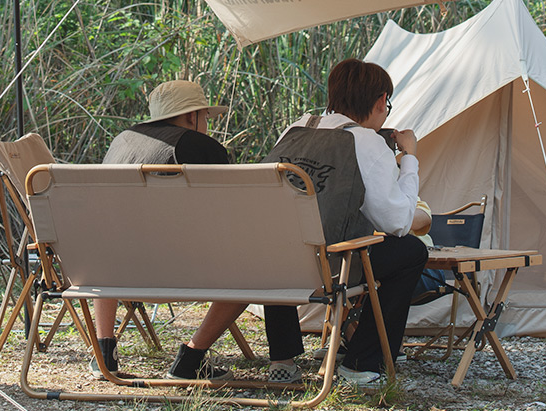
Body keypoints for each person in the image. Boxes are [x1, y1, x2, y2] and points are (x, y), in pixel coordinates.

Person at [92, 80, 300, 383]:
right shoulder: (199, 147)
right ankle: (193, 357)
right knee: (264, 261)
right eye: (206, 117)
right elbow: (233, 216)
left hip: (113, 273)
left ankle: (103, 351)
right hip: (185, 271)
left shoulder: (122, 141)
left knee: (108, 243)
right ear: (193, 117)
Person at [263, 58, 428, 389]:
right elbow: (398, 222)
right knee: (410, 252)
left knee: (280, 234)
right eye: (387, 105)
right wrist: (409, 159)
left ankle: (283, 359)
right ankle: (362, 361)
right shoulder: (365, 141)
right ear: (381, 101)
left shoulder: (294, 129)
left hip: (273, 262)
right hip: (331, 265)